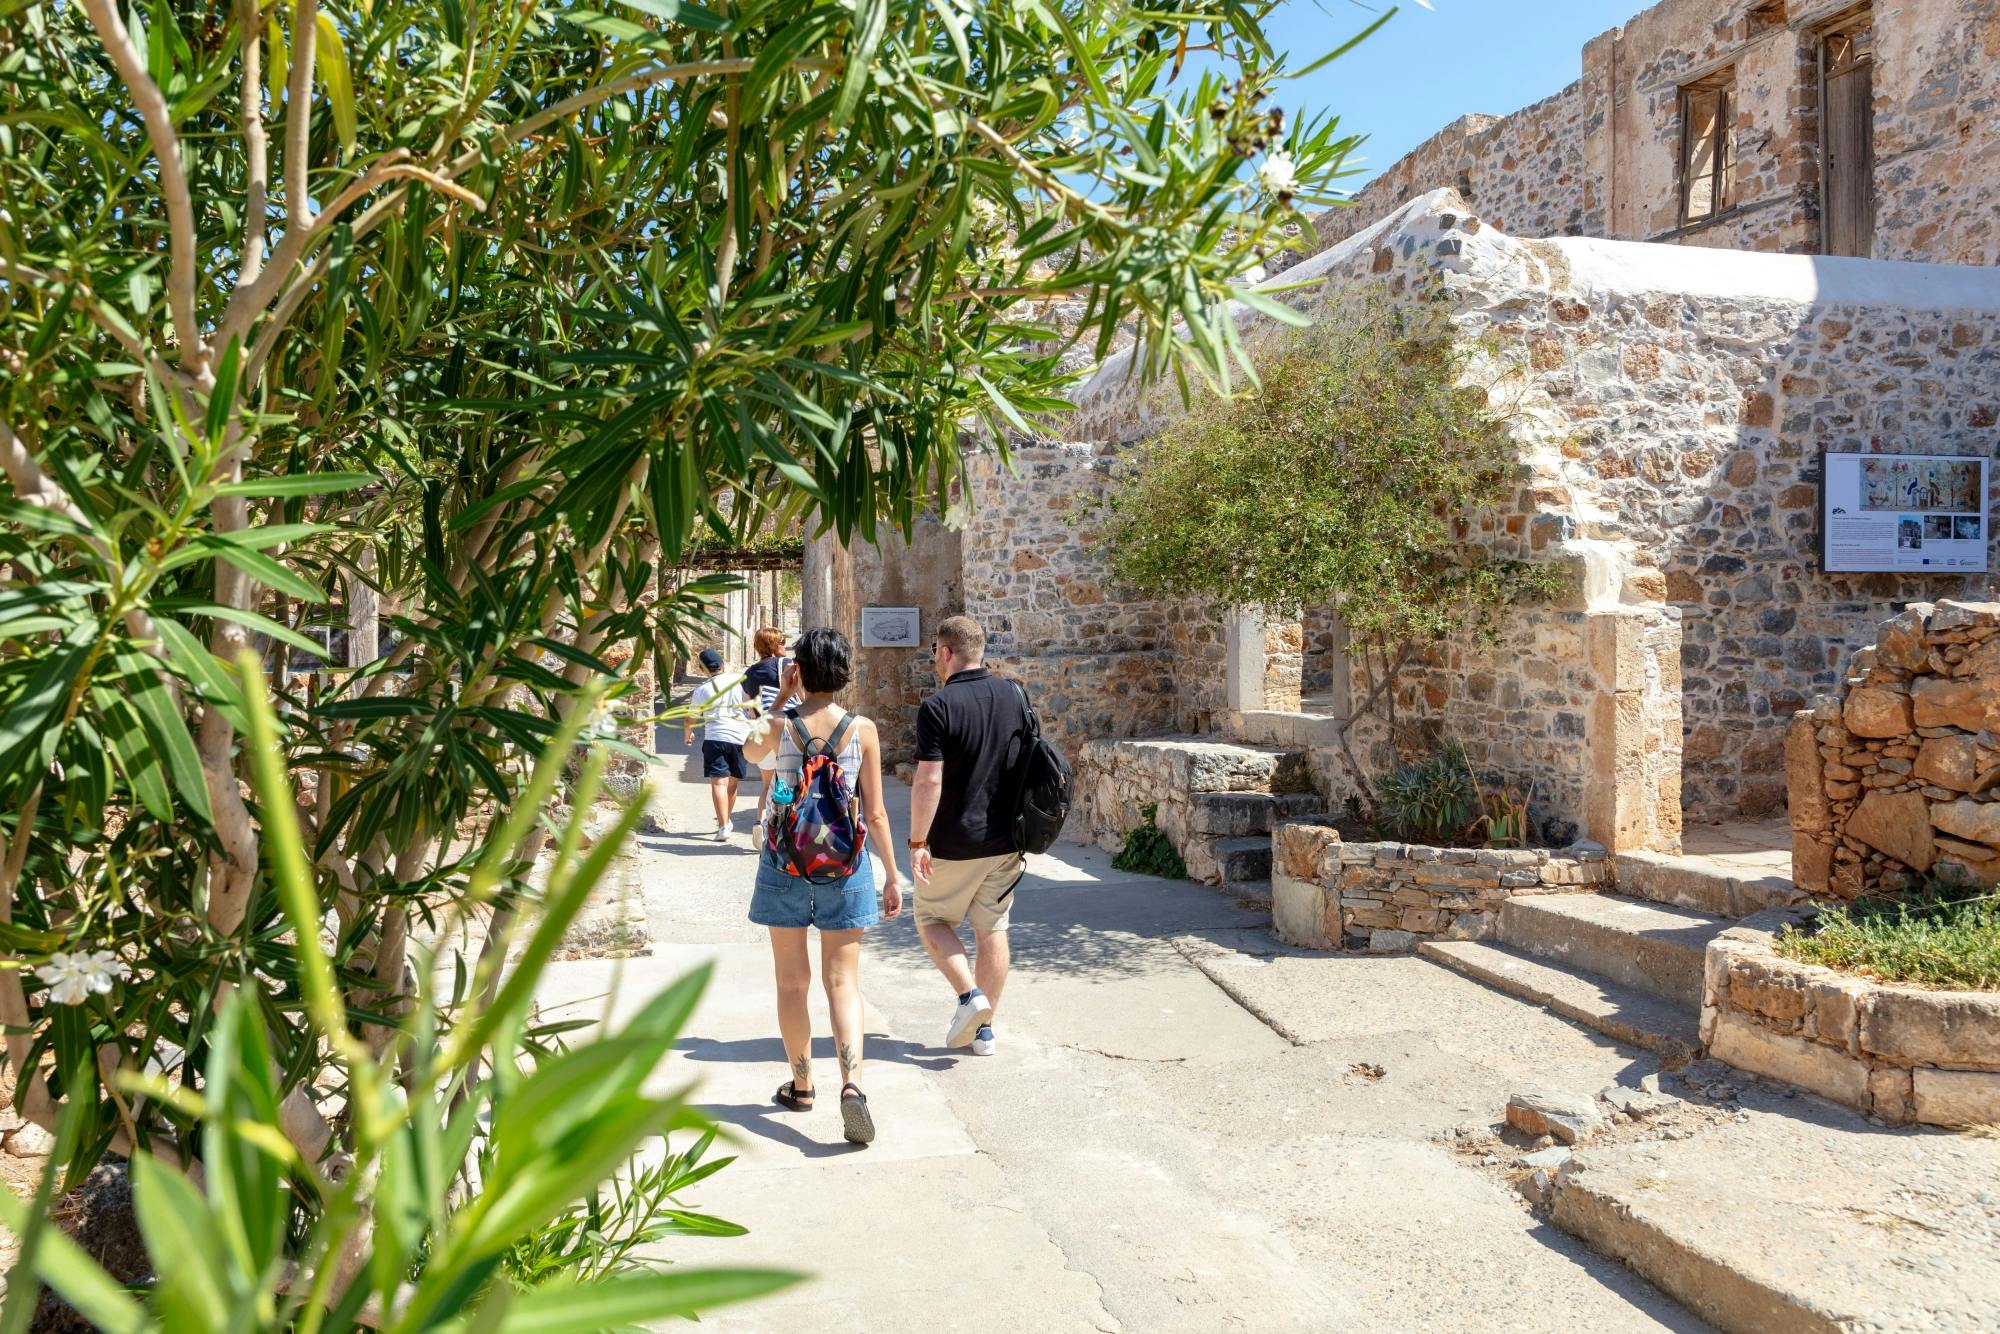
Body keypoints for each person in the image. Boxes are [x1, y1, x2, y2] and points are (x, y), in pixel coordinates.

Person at [741, 627, 903, 1145]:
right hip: (846, 863)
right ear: (843, 673)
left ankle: (803, 1084)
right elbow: (874, 811)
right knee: (843, 982)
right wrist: (893, 876)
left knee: (792, 982)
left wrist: (785, 698)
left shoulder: (782, 727)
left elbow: (748, 753)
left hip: (784, 863)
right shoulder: (864, 729)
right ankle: (852, 1085)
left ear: (801, 670)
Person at [906, 615, 1026, 1057]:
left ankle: (969, 997)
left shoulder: (939, 706)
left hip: (955, 842)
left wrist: (918, 841)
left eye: (935, 650)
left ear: (945, 652)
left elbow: (927, 781)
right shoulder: (1014, 693)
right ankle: (984, 1031)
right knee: (991, 928)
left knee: (931, 920)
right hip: (1008, 840)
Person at [683, 648, 750, 841]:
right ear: (722, 664)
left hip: (715, 738)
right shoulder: (739, 681)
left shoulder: (701, 690)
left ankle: (723, 827)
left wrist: (688, 734)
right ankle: (727, 819)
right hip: (740, 737)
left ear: (702, 670)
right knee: (732, 782)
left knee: (718, 783)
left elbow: (690, 718)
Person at [741, 627, 791, 832]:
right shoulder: (786, 665)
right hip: (784, 732)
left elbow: (748, 707)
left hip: (762, 732)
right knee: (792, 782)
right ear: (774, 644)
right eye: (782, 641)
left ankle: (759, 823)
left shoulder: (749, 673)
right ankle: (785, 828)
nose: (785, 645)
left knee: (767, 785)